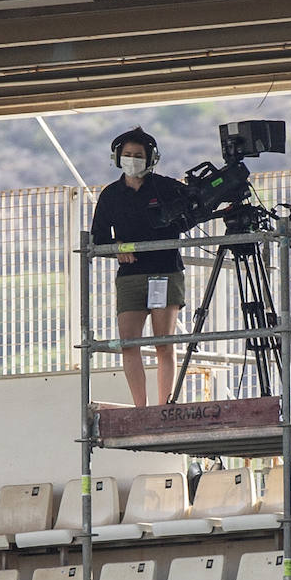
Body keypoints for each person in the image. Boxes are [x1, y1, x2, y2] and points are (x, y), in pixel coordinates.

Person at [91, 126, 188, 406]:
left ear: (151, 159)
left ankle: (164, 404)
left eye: (138, 155)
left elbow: (193, 211)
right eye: (128, 154)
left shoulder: (167, 187)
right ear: (118, 158)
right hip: (130, 276)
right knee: (129, 344)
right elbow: (98, 238)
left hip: (165, 271)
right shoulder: (110, 195)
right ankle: (140, 407)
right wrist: (117, 248)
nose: (133, 159)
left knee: (163, 343)